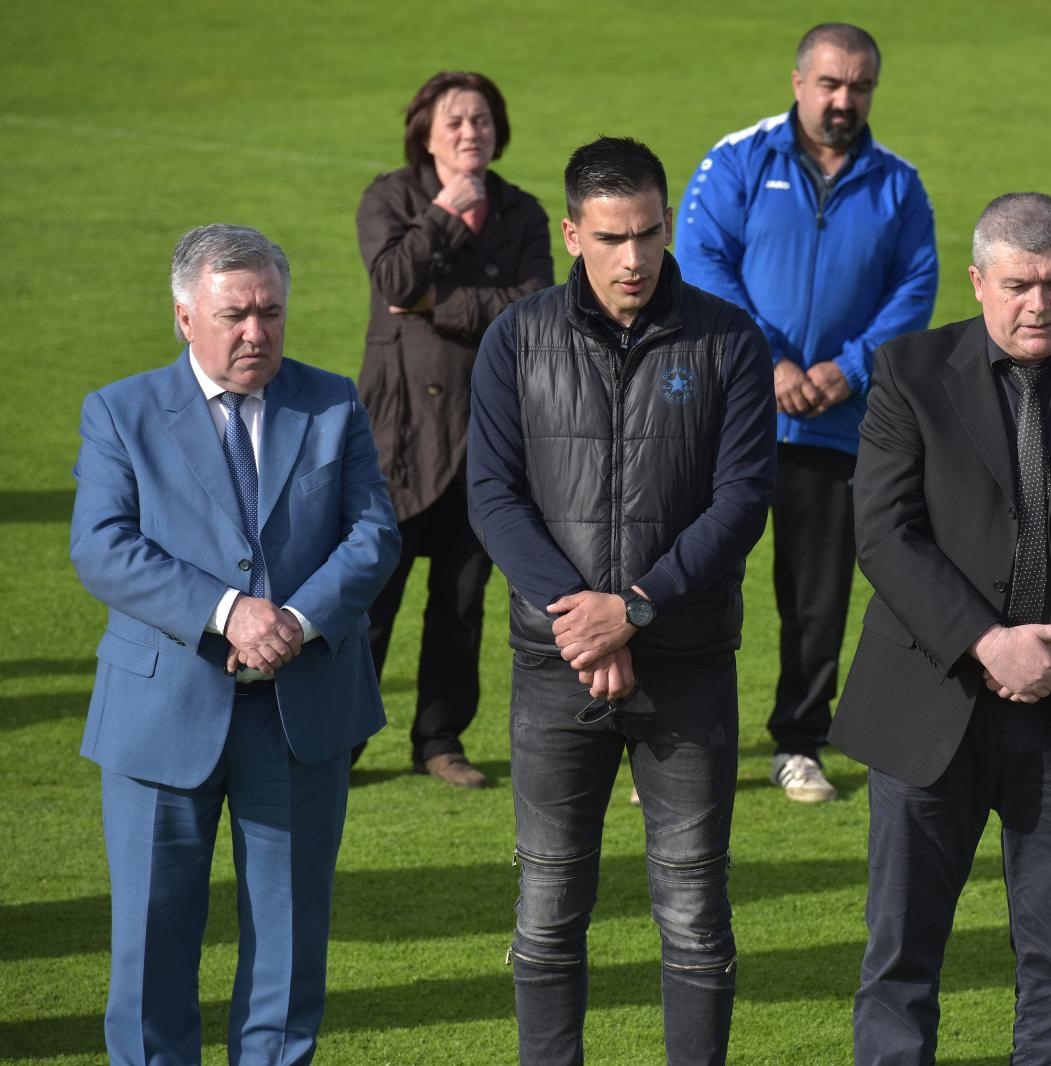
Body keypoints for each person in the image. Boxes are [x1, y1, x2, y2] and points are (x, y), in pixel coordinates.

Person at [829, 193, 1051, 1063]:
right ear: (978, 283)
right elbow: (885, 535)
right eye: (1020, 285)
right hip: (931, 705)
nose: (1040, 304)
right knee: (900, 958)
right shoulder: (909, 372)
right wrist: (990, 642)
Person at [467, 136, 775, 1065]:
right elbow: (492, 495)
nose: (634, 258)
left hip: (685, 669)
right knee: (549, 905)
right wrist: (584, 619)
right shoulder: (515, 338)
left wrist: (635, 608)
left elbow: (743, 497)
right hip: (555, 668)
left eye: (648, 232)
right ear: (571, 233)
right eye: (610, 238)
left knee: (692, 909)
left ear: (668, 221)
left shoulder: (728, 339)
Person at [69, 224, 400, 1064]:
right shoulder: (120, 411)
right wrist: (228, 611)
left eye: (271, 313)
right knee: (151, 955)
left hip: (298, 717)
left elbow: (372, 537)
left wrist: (291, 619)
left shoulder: (331, 402)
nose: (257, 333)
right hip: (161, 713)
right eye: (235, 315)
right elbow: (101, 546)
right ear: (186, 317)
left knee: (288, 964)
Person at [677, 22, 938, 803]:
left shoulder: (899, 184)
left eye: (859, 86)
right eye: (830, 83)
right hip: (729, 411)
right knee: (690, 575)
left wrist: (847, 369)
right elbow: (700, 263)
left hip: (833, 419)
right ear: (798, 82)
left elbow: (915, 287)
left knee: (818, 592)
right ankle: (676, 737)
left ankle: (799, 742)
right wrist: (772, 360)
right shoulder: (738, 159)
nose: (843, 100)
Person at [355, 70, 554, 788]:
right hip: (397, 439)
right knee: (370, 599)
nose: (472, 132)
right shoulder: (391, 198)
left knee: (461, 604)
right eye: (456, 122)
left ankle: (440, 741)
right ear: (425, 132)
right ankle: (336, 744)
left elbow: (532, 311)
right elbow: (392, 285)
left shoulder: (524, 213)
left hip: (486, 438)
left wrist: (439, 301)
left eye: (482, 120)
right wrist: (441, 215)